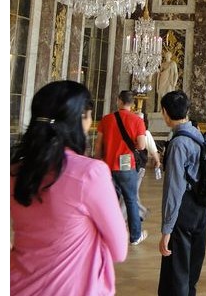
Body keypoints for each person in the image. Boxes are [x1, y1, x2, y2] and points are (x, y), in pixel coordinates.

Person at [11, 80, 128, 295]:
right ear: (79, 118)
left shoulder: (14, 171)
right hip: (69, 287)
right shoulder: (91, 173)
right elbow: (119, 250)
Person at [158, 90, 206, 296]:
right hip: (201, 208)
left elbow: (174, 188)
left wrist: (166, 230)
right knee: (192, 269)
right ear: (187, 111)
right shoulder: (198, 134)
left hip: (183, 210)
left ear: (164, 113)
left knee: (176, 272)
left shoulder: (178, 143)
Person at [94, 90, 148, 246]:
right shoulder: (137, 121)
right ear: (132, 103)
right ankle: (135, 236)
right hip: (126, 166)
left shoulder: (106, 119)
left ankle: (107, 234)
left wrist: (97, 161)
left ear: (118, 101)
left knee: (109, 201)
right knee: (131, 201)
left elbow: (98, 145)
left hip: (108, 165)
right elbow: (142, 145)